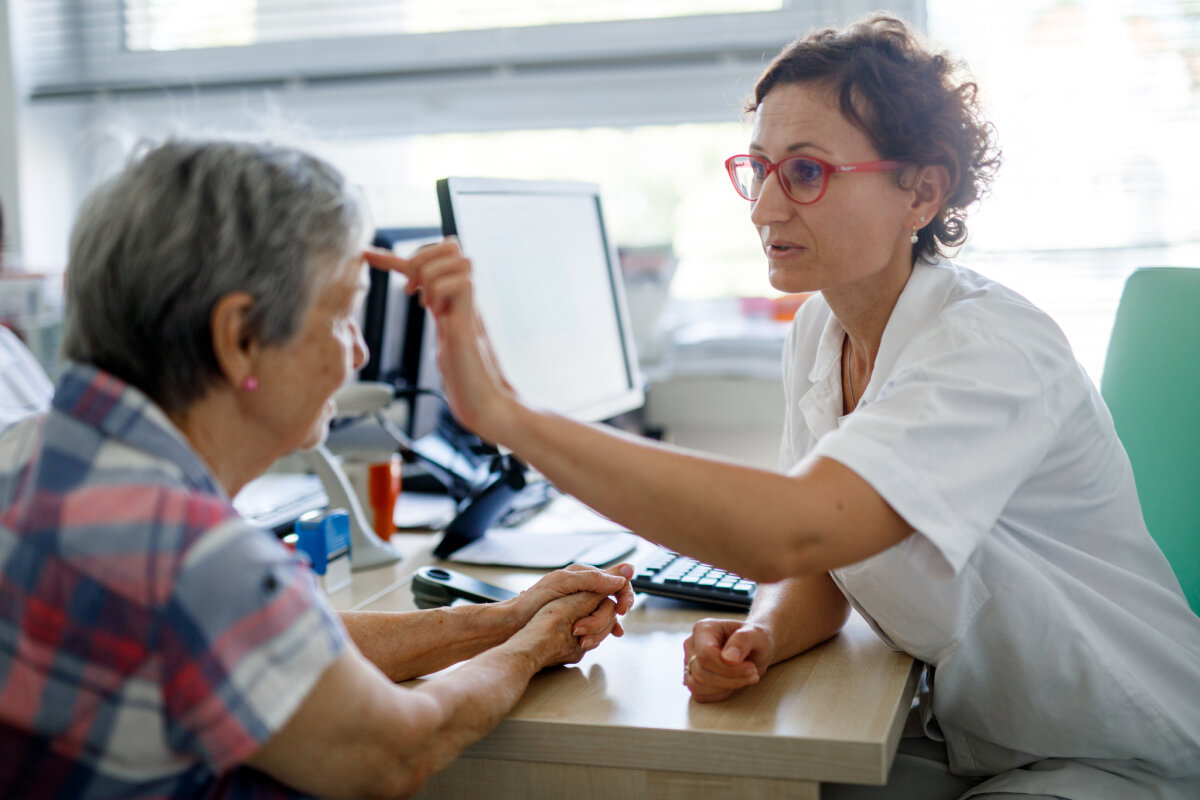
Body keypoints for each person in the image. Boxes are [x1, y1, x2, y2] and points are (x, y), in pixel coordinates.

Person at [368, 14, 1200, 800]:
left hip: (1114, 753)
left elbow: (791, 530)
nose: (765, 209)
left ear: (922, 192)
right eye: (759, 169)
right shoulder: (821, 329)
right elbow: (818, 564)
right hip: (984, 735)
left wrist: (509, 415)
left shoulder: (989, 350)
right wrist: (764, 633)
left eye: (805, 172)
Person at [0, 139, 636, 799]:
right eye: (340, 317)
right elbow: (397, 748)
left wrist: (507, 618)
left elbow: (288, 644)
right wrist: (533, 648)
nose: (357, 353)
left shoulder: (25, 453)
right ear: (240, 339)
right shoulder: (197, 557)